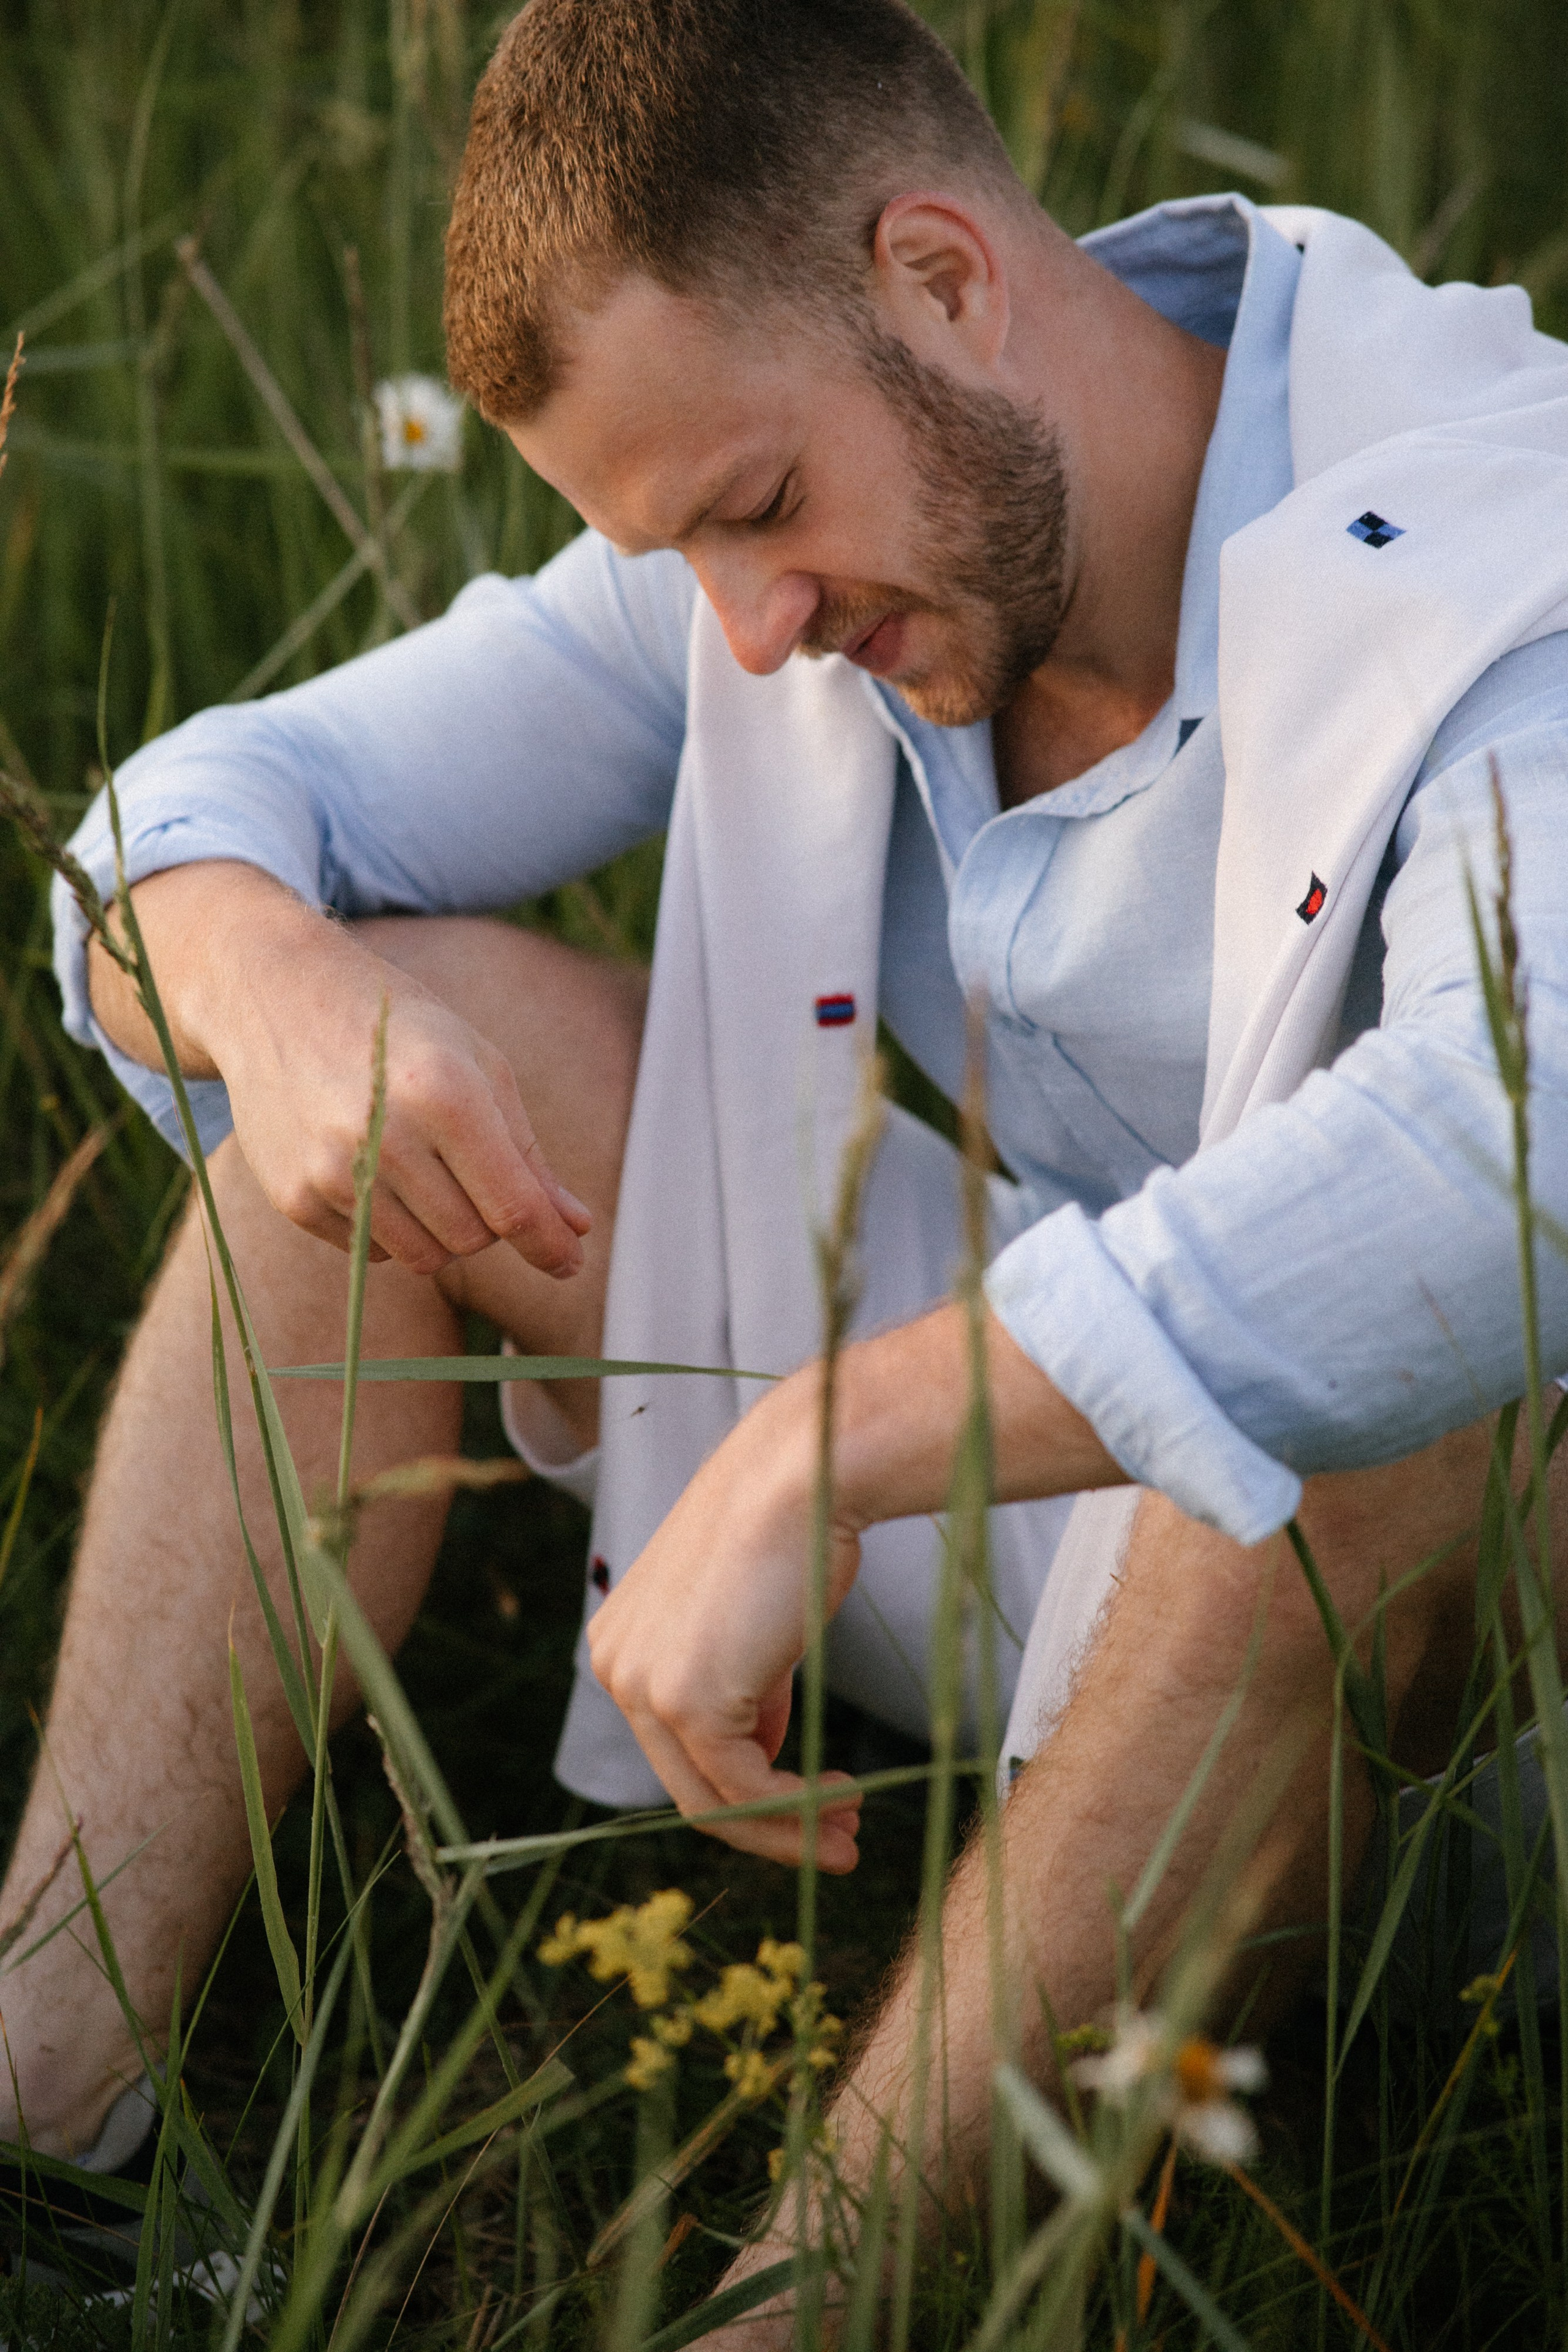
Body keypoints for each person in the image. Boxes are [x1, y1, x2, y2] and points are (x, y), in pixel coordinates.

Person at [6, 0, 1568, 2330]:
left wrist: (815, 1461)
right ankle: (43, 2125)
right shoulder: (786, 542)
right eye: (681, 551)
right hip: (1060, 1556)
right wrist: (285, 998)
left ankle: (786, 2313)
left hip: (1477, 1727)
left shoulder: (1498, 533)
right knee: (413, 1068)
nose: (752, 626)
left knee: (1360, 1440)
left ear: (944, 278)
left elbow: (1513, 1166)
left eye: (756, 509)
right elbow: (172, 834)